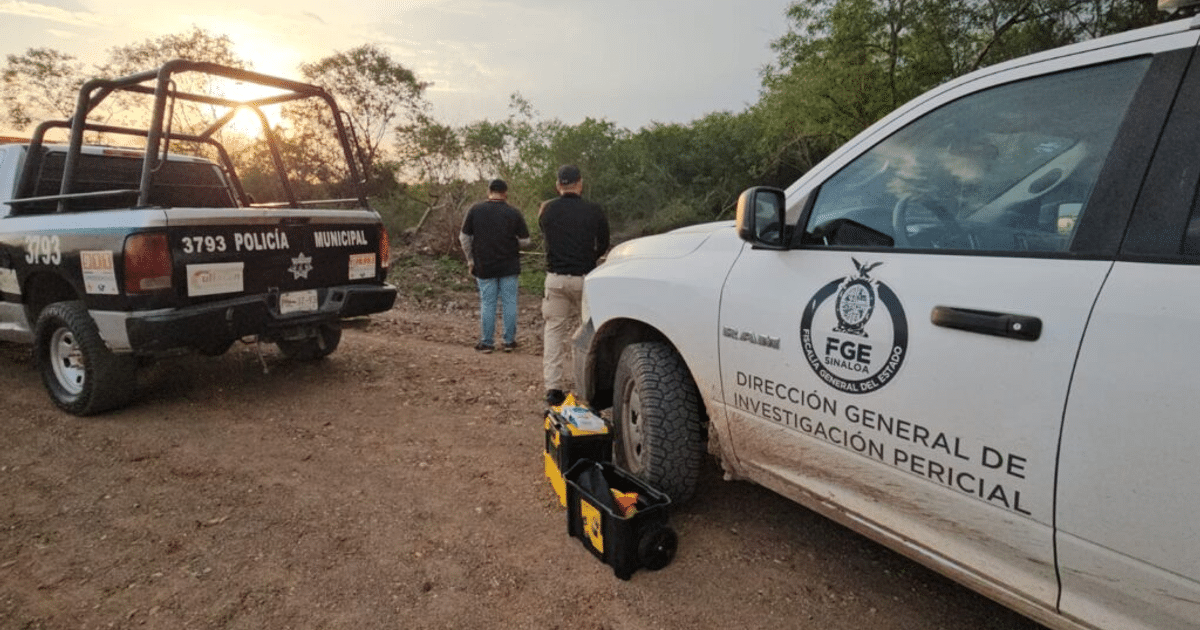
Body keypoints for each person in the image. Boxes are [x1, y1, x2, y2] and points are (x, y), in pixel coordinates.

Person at [538, 164, 610, 406]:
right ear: (580, 183)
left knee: (554, 332)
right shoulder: (593, 210)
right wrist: (590, 256)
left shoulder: (547, 211)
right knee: (588, 334)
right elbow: (604, 242)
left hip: (556, 279)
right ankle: (587, 387)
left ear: (558, 185)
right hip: (584, 278)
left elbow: (544, 232)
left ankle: (553, 388)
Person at [460, 179, 531, 353]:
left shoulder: (475, 210)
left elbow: (464, 238)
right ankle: (508, 341)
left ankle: (487, 342)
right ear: (505, 193)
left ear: (489, 191)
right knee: (509, 302)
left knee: (488, 303)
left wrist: (471, 259)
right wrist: (513, 242)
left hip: (484, 265)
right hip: (509, 265)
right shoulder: (514, 212)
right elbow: (526, 241)